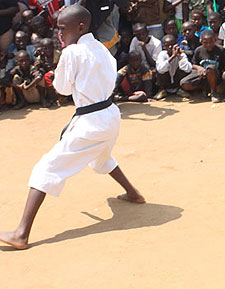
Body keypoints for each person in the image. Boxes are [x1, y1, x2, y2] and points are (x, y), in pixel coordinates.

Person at [0, 5, 145, 250]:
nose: (59, 35)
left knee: (45, 168)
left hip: (91, 122)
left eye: (62, 29)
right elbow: (108, 78)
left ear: (80, 27)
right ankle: (133, 194)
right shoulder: (101, 47)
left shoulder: (72, 53)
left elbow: (63, 89)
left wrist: (61, 69)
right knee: (102, 157)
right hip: (110, 116)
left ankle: (21, 234)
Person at [180, 30, 225, 102]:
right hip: (202, 76)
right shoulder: (199, 50)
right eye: (205, 43)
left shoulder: (221, 50)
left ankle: (214, 93)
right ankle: (205, 88)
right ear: (201, 42)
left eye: (211, 42)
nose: (208, 45)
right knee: (184, 83)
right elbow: (193, 64)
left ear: (215, 40)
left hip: (216, 76)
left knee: (210, 68)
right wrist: (199, 68)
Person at [155, 34, 192, 100]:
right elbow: (160, 69)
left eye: (172, 45)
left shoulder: (181, 54)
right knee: (160, 69)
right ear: (164, 47)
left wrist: (179, 57)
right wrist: (172, 57)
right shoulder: (162, 54)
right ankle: (162, 90)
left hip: (177, 80)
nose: (170, 47)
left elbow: (188, 69)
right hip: (166, 80)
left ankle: (180, 90)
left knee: (183, 67)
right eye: (167, 45)